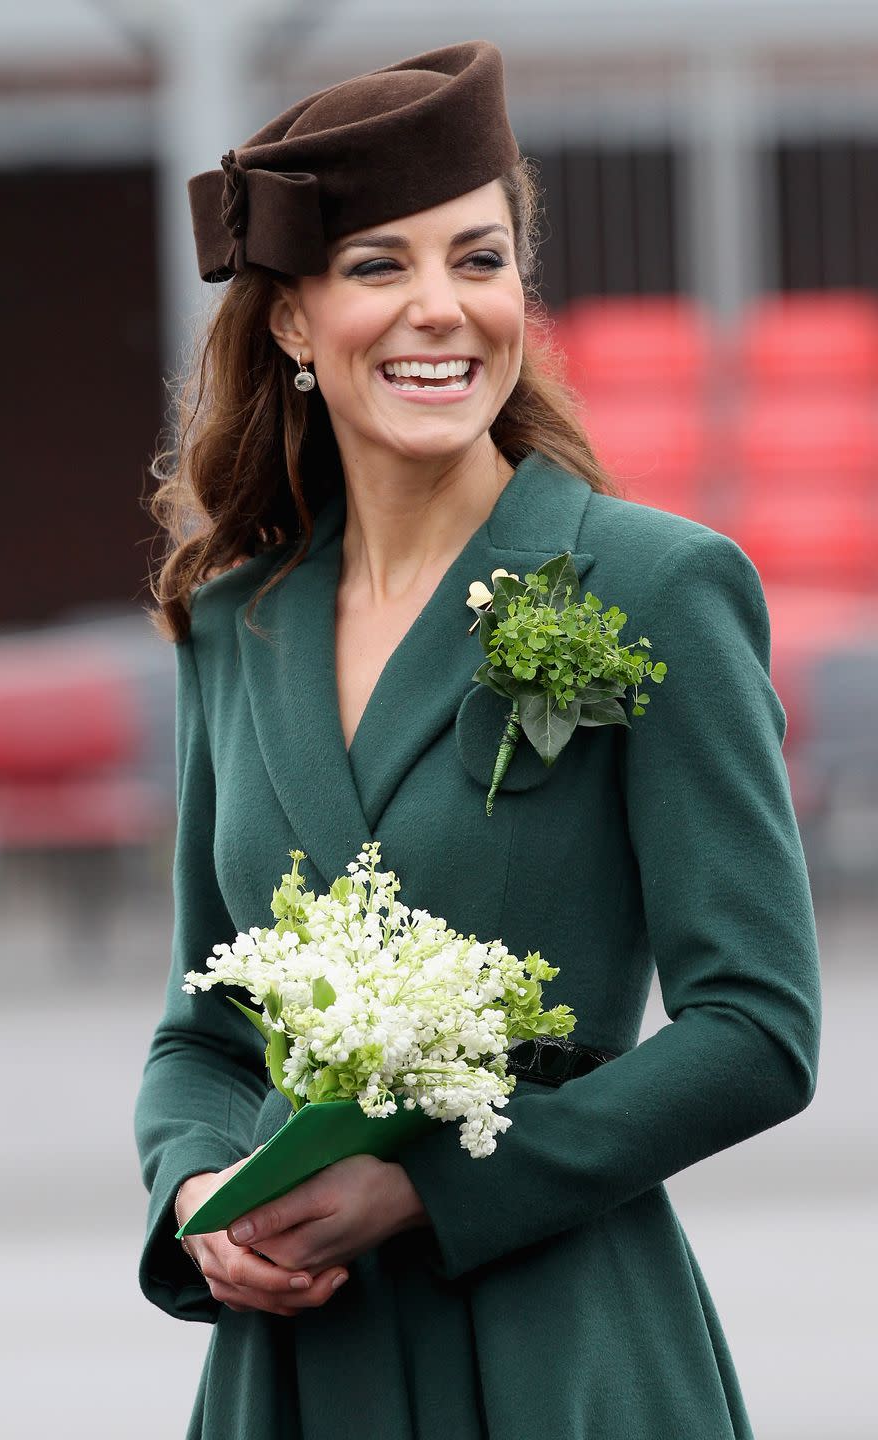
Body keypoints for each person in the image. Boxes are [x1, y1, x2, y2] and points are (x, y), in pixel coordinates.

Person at [134, 39, 821, 1440]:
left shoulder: (654, 585)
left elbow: (758, 1027)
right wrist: (202, 1195)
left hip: (564, 1344)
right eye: (380, 265)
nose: (440, 310)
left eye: (481, 259)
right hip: (301, 1366)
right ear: (289, 323)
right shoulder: (235, 621)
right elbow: (206, 1033)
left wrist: (428, 1187)